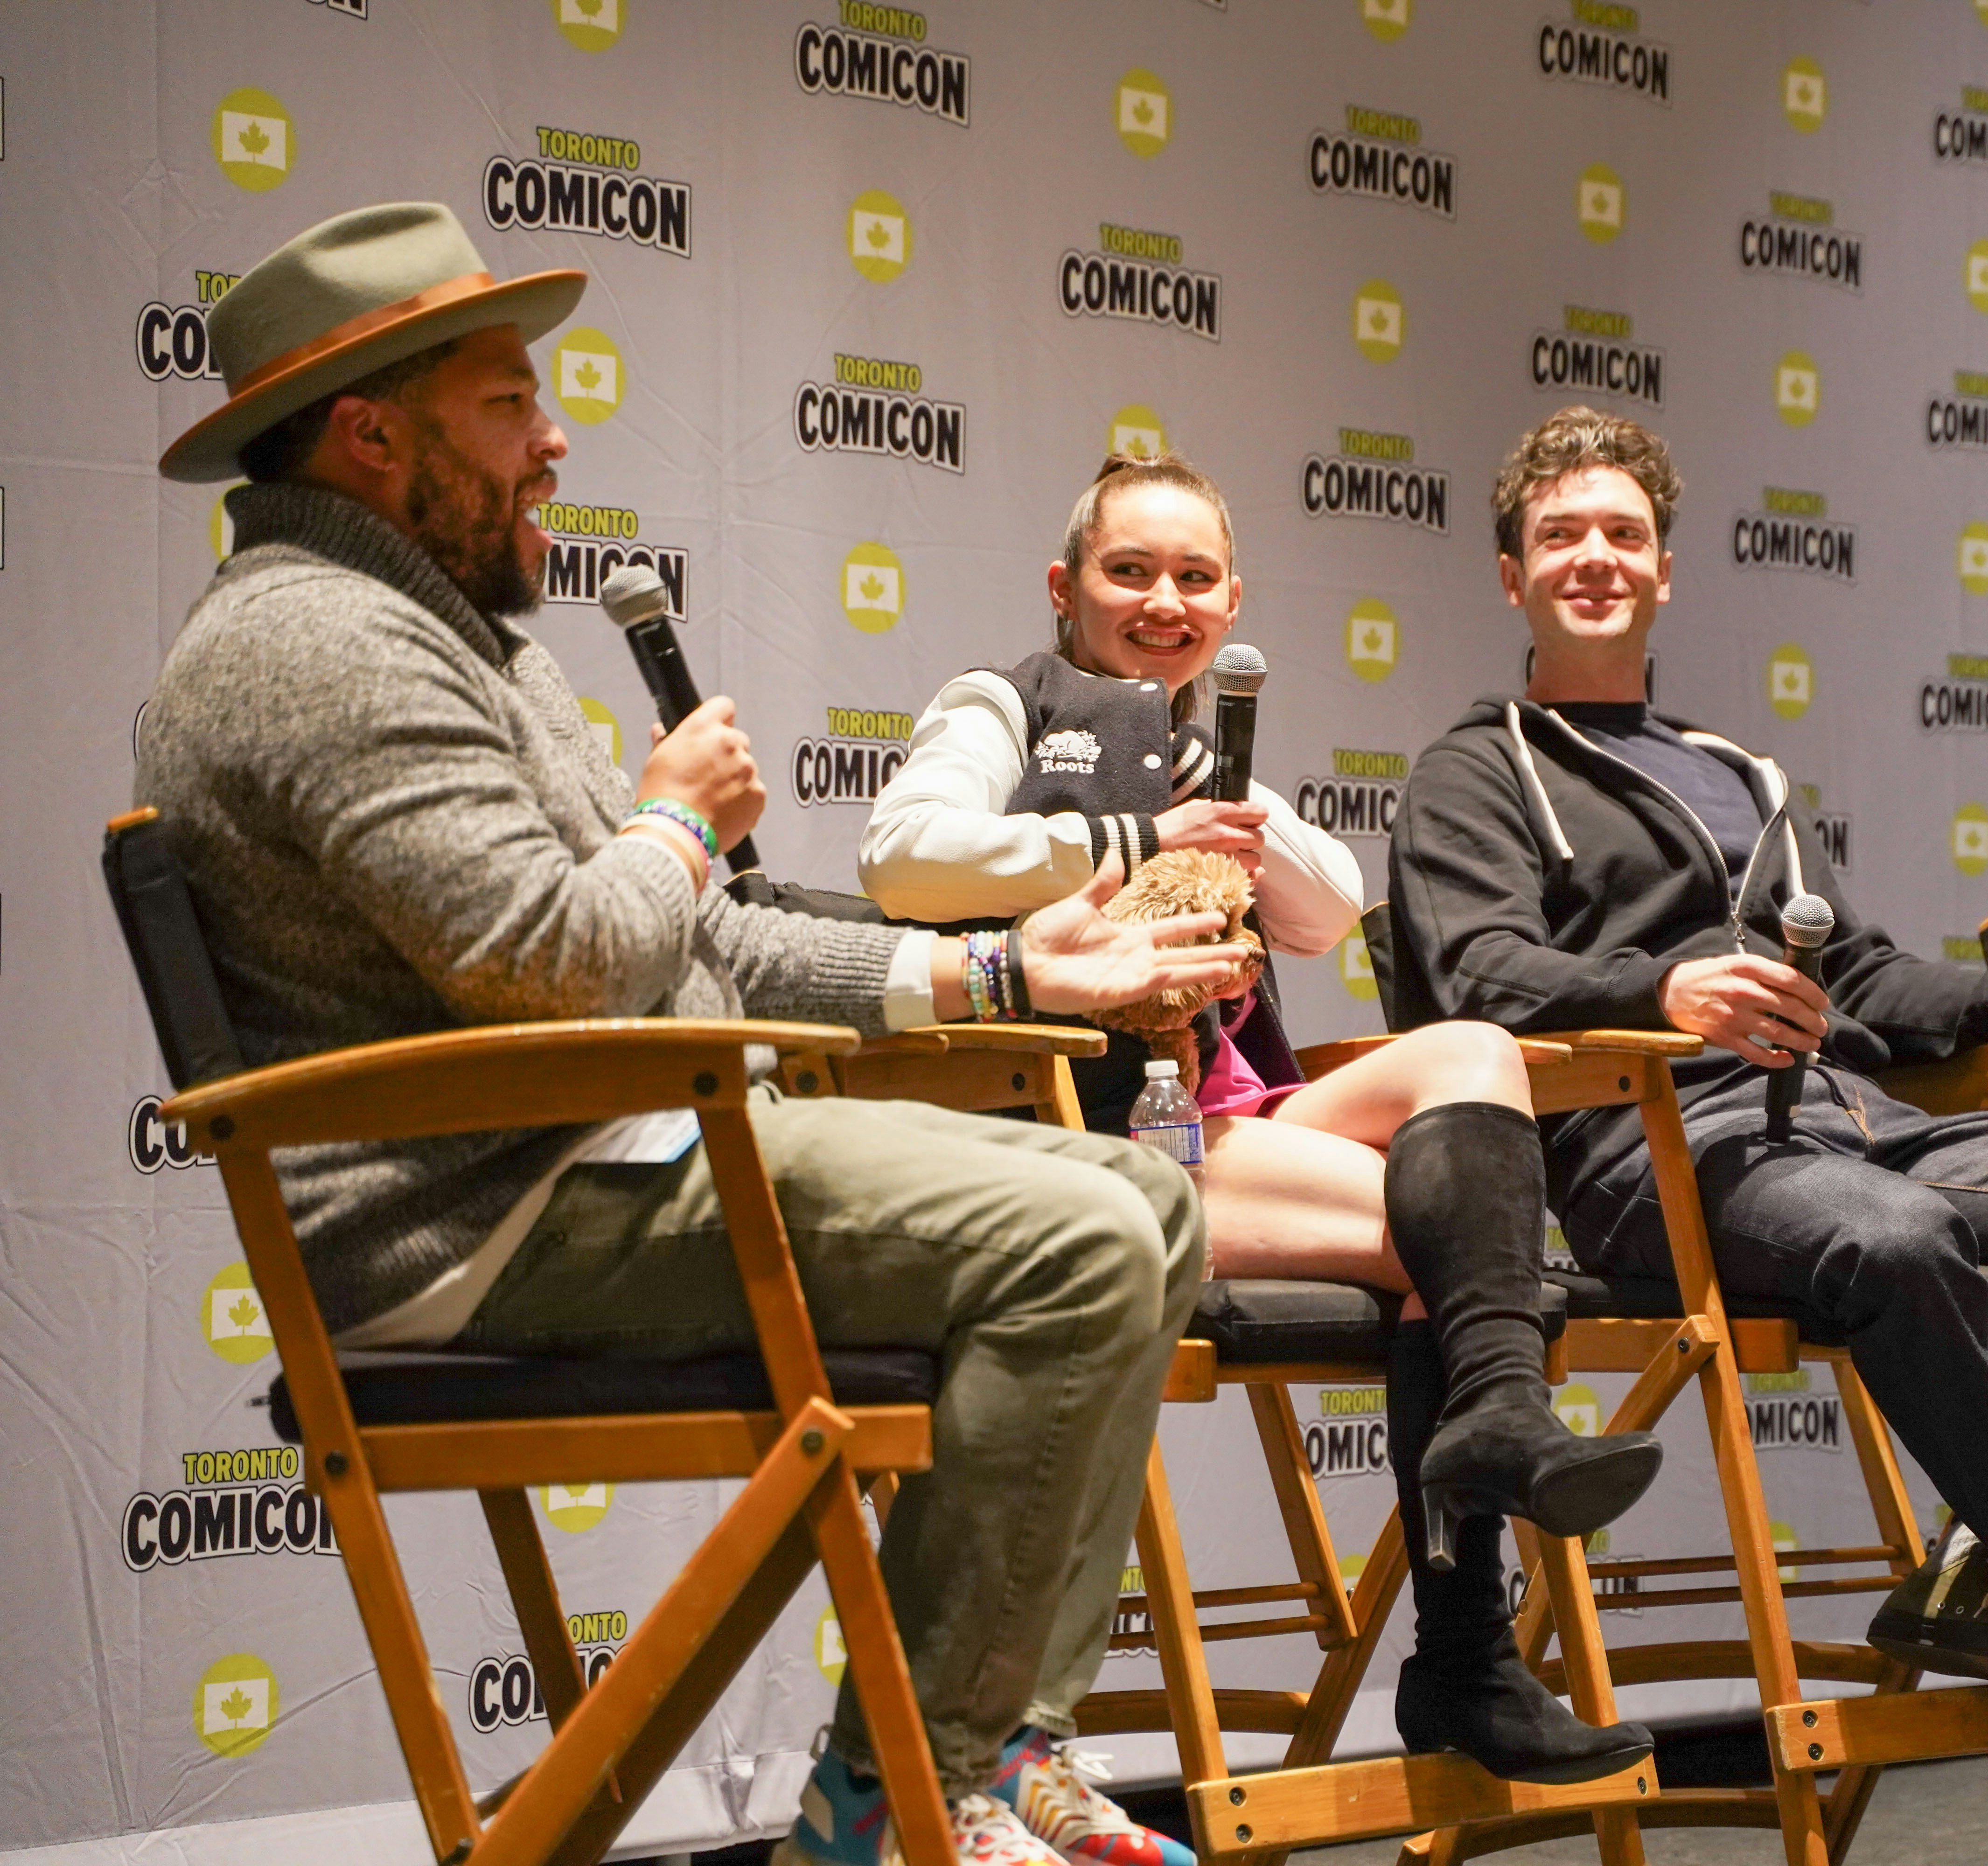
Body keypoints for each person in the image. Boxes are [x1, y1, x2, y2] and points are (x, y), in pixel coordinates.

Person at [140, 203, 1258, 1866]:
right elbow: (558, 960)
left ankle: (991, 1747)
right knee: (1082, 1240)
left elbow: (706, 939)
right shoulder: (315, 646)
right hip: (476, 1215)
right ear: (371, 436)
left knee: (1148, 1202)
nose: (554, 438)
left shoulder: (438, 634)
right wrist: (671, 819)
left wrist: (1006, 973)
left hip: (598, 1156)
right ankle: (897, 1794)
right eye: (508, 403)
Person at [1382, 407, 1988, 1789]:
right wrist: (1664, 991)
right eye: (1561, 536)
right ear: (1513, 575)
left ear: (1666, 568)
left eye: (1624, 532)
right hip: (1665, 1147)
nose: (1596, 557)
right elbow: (1477, 974)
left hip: (1862, 1121)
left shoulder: (1739, 772)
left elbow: (1860, 971)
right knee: (1898, 1240)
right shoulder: (1478, 766)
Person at [857, 450, 1665, 1786]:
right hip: (1093, 1138)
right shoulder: (1003, 702)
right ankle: (1470, 1645)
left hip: (1230, 1119)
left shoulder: (1202, 749)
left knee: (1468, 1053)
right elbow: (903, 859)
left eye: (1196, 578)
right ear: (1066, 586)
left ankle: (1497, 1436)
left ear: (1233, 603)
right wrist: (1134, 841)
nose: (1164, 602)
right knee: (1471, 1248)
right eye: (1130, 572)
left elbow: (1328, 908)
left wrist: (1226, 812)